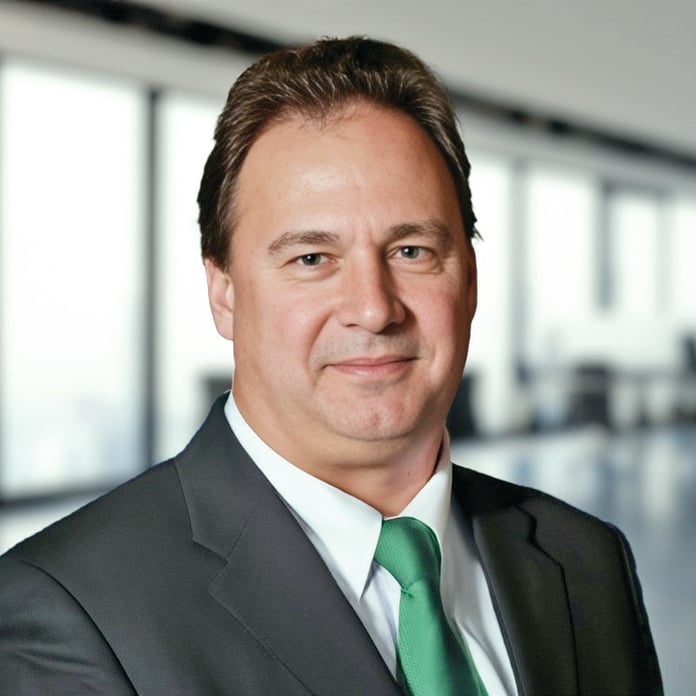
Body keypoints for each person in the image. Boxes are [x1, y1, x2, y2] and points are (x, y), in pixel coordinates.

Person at [0, 37, 661, 695]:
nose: (373, 309)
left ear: (470, 280)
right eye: (311, 259)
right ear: (224, 295)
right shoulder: (71, 616)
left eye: (411, 251)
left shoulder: (587, 561)